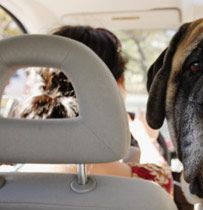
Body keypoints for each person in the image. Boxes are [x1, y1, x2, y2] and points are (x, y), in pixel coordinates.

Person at [18, 25, 173, 195]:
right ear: (114, 84)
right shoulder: (135, 184)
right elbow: (163, 184)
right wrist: (145, 138)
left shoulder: (10, 176)